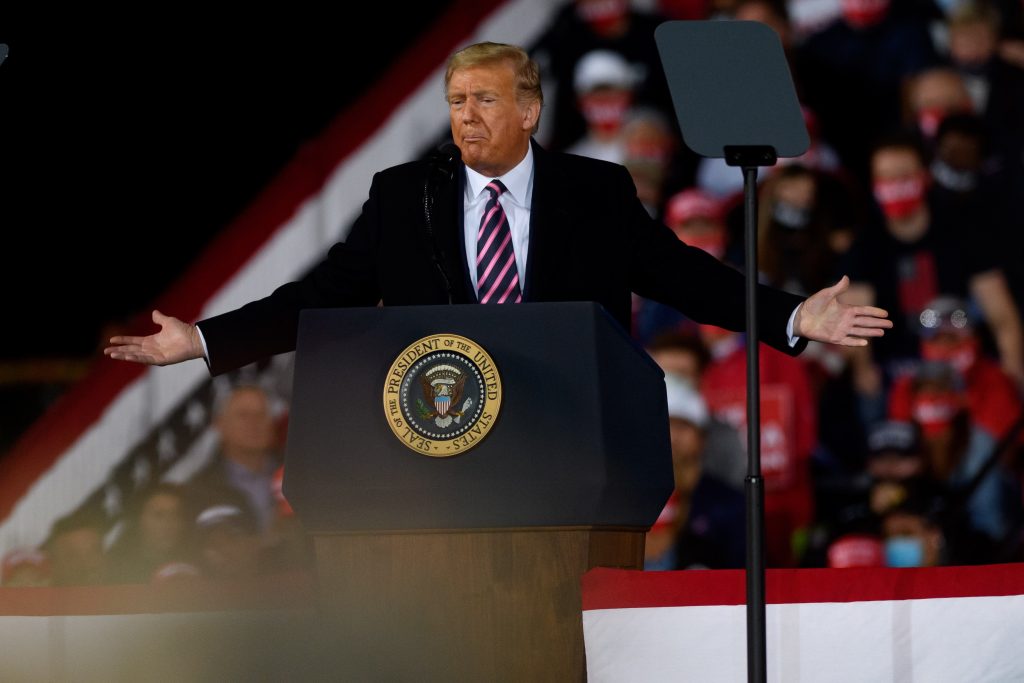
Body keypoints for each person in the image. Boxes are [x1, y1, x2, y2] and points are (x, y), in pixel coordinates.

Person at [105, 42, 890, 380]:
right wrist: (205, 340)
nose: (466, 116)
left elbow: (685, 277)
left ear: (531, 111)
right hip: (444, 431)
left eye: (484, 99)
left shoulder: (595, 191)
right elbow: (323, 293)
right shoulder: (404, 193)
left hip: (571, 430)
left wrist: (792, 318)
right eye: (455, 101)